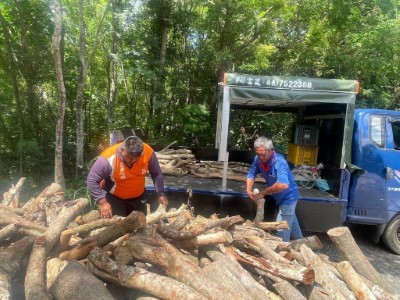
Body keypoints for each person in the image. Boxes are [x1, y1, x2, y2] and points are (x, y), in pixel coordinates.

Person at [87, 135, 169, 218]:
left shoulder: (148, 152)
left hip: (139, 197)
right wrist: (102, 202)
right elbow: (92, 180)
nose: (132, 161)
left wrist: (160, 194)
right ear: (122, 150)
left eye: (136, 159)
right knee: (118, 227)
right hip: (116, 199)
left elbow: (156, 173)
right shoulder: (108, 158)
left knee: (140, 225)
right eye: (129, 158)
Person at [246, 136, 303, 241]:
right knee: (292, 224)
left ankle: (281, 254)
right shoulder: (258, 159)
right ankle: (304, 245)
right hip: (279, 198)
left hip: (288, 198)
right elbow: (251, 174)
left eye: (263, 154)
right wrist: (248, 189)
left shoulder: (279, 162)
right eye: (258, 154)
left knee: (281, 231)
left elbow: (283, 185)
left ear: (271, 150)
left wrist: (263, 193)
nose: (261, 157)